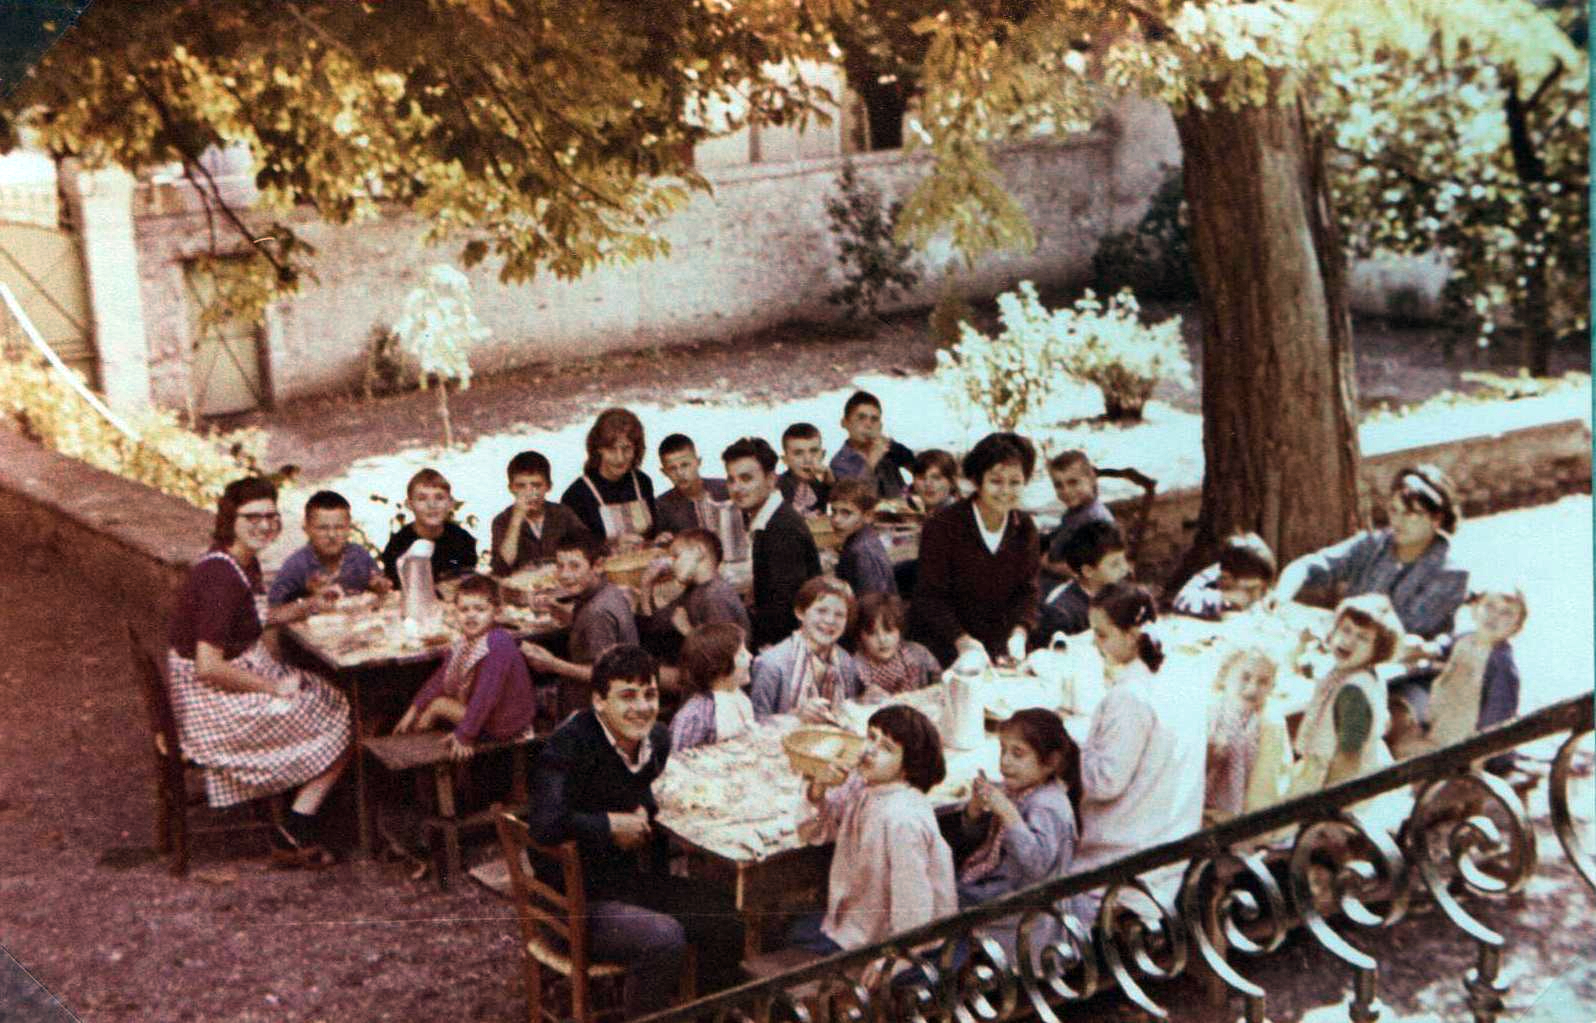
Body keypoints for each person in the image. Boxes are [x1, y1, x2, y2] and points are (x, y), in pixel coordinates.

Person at [527, 646, 745, 1017]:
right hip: (572, 901)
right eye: (627, 696)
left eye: (650, 694)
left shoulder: (657, 739)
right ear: (599, 701)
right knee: (663, 938)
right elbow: (545, 824)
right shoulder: (570, 743)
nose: (642, 707)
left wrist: (645, 807)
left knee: (725, 914)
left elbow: (640, 787)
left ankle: (704, 1014)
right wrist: (609, 825)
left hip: (625, 883)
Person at [166, 477, 352, 868]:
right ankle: (296, 826)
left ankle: (302, 800)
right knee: (348, 715)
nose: (264, 525)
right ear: (229, 520)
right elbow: (209, 666)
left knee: (325, 692)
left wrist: (310, 604)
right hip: (213, 709)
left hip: (216, 690)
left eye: (270, 516)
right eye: (252, 517)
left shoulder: (236, 561)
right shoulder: (220, 578)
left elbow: (255, 618)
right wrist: (272, 687)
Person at [789, 705, 957, 956]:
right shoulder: (869, 791)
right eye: (871, 737)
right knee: (794, 929)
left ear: (908, 766)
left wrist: (894, 960)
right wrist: (818, 788)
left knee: (792, 936)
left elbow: (912, 906)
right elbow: (813, 834)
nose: (870, 750)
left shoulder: (902, 818)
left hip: (889, 941)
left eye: (886, 748)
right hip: (857, 919)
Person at [1074, 582, 1205, 873]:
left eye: (1102, 635)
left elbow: (1105, 783)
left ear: (1132, 636)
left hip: (1131, 852)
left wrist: (1073, 752)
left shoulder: (1130, 697)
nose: (1095, 644)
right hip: (1174, 835)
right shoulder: (1182, 672)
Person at [1275, 465, 1468, 640]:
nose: (1397, 521)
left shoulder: (1451, 573)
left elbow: (1398, 633)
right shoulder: (1374, 545)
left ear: (1436, 519)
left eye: (1410, 514)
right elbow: (1310, 565)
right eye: (1394, 510)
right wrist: (1280, 597)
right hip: (1347, 644)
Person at [956, 708, 1082, 968]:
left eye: (1018, 754)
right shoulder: (1019, 790)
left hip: (1029, 914)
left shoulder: (1048, 806)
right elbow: (985, 843)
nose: (1005, 762)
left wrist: (1008, 814)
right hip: (1005, 889)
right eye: (1003, 750)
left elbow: (1036, 865)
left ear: (1051, 762)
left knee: (944, 906)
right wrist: (975, 811)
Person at [907, 432, 1041, 666]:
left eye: (1015, 482)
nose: (1005, 491)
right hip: (947, 649)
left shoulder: (1024, 527)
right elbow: (930, 598)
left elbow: (1028, 591)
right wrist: (962, 641)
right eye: (996, 481)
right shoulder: (942, 526)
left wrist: (1020, 633)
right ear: (977, 481)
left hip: (1003, 649)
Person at [392, 574, 535, 759]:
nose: (471, 615)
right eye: (464, 610)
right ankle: (418, 745)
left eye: (480, 609)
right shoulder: (465, 642)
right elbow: (441, 678)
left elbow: (486, 695)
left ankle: (419, 750)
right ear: (455, 613)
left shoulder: (498, 642)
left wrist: (465, 735)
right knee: (434, 705)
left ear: (497, 612)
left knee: (439, 705)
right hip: (489, 714)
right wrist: (414, 709)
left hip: (505, 723)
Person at [1397, 586, 1526, 764]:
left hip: (1465, 738)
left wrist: (1485, 753)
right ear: (1474, 610)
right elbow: (1445, 645)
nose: (1494, 616)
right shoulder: (1467, 638)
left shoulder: (1501, 663)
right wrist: (1428, 649)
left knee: (1402, 751)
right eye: (1489, 606)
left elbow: (1499, 712)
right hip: (1442, 714)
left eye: (1506, 613)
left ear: (1516, 627)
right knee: (1400, 711)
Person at [519, 535, 639, 720]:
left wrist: (552, 664)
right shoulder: (606, 591)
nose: (565, 575)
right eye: (560, 566)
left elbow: (606, 675)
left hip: (599, 707)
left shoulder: (597, 612)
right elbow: (587, 626)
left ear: (598, 565)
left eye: (575, 566)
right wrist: (555, 608)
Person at [1292, 594, 1402, 791]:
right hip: (1323, 770)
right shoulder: (1351, 672)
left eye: (1363, 638)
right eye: (1346, 630)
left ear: (1378, 651)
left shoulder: (1353, 692)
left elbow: (1348, 762)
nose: (1349, 641)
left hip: (1339, 787)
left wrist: (1323, 804)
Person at [723, 435, 821, 650]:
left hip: (790, 648)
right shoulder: (769, 518)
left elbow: (785, 611)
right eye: (731, 480)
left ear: (770, 480)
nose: (736, 488)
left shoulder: (781, 529)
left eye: (746, 478)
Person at [750, 577, 863, 719]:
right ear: (800, 613)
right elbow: (756, 724)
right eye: (821, 611)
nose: (830, 620)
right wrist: (796, 716)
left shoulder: (846, 663)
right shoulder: (771, 664)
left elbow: (850, 716)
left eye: (839, 615)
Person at [1204, 646, 1292, 823]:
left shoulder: (1272, 723)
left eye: (1263, 682)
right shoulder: (1210, 716)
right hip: (1209, 808)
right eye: (1245, 677)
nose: (1253, 688)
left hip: (1250, 811)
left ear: (1272, 686)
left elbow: (1280, 770)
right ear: (1224, 676)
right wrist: (1211, 754)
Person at [267, 489, 388, 608]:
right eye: (323, 528)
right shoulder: (296, 565)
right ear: (307, 529)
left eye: (339, 528)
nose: (332, 535)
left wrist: (379, 585)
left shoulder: (359, 556)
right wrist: (307, 598)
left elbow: (378, 585)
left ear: (349, 528)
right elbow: (273, 610)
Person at [638, 528, 750, 653]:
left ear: (699, 552)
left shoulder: (715, 596)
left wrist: (687, 630)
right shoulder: (696, 590)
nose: (672, 565)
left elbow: (723, 654)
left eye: (676, 556)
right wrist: (646, 585)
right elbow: (655, 624)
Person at [560, 407, 658, 549]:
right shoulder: (576, 495)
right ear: (598, 449)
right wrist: (610, 545)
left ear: (636, 449)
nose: (620, 458)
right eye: (611, 449)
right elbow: (573, 549)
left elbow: (653, 533)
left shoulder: (642, 482)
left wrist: (659, 538)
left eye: (626, 449)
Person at [489, 450, 591, 576]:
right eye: (521, 486)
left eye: (536, 485)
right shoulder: (502, 520)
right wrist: (516, 519)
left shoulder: (563, 513)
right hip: (521, 584)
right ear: (511, 488)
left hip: (561, 579)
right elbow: (502, 567)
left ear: (548, 486)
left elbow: (588, 547)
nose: (529, 493)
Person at [380, 468, 478, 586]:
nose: (431, 505)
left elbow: (467, 582)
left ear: (450, 503)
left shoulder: (463, 541)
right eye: (422, 499)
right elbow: (395, 587)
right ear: (409, 504)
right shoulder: (398, 545)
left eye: (439, 498)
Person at [667, 623, 757, 751]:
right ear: (721, 665)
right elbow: (677, 756)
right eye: (742, 654)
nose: (750, 656)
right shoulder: (696, 714)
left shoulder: (739, 697)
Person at [1037, 520, 1131, 640]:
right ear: (1088, 571)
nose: (1125, 569)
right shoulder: (1062, 613)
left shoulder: (1119, 593)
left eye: (1124, 560)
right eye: (1115, 565)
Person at [1038, 450, 1116, 591]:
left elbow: (1086, 571)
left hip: (1077, 589)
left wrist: (1046, 565)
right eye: (1058, 485)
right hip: (1056, 573)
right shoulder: (1076, 512)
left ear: (1091, 479)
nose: (1066, 491)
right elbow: (1062, 535)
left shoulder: (1095, 521)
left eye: (1073, 482)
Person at [829, 390, 917, 500]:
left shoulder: (889, 451)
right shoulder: (840, 463)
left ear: (880, 425)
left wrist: (892, 446)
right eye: (861, 418)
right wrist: (871, 463)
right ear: (845, 423)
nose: (868, 425)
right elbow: (856, 500)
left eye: (874, 419)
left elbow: (920, 469)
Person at [851, 593, 942, 698]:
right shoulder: (856, 668)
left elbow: (941, 683)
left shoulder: (918, 654)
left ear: (900, 630)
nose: (882, 640)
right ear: (860, 636)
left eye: (889, 631)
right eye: (872, 633)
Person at [1173, 532, 1278, 620]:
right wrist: (1224, 598)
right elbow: (1181, 599)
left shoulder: (1263, 572)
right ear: (1226, 577)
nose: (1252, 593)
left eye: (1255, 589)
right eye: (1248, 590)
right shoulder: (1215, 573)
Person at [653, 433, 731, 538]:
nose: (680, 473)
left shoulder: (726, 489)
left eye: (685, 465)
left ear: (698, 462)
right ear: (664, 472)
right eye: (672, 468)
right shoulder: (662, 507)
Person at [830, 478, 897, 597]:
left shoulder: (864, 553)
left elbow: (873, 601)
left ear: (868, 516)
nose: (836, 519)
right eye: (834, 512)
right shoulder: (854, 539)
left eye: (846, 513)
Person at [777, 422, 835, 516]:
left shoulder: (825, 485)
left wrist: (829, 476)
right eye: (798, 453)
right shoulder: (777, 486)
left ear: (823, 455)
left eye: (813, 451)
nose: (807, 459)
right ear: (785, 459)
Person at [907, 448, 960, 517]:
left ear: (952, 482)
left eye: (936, 478)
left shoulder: (958, 516)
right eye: (921, 478)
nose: (928, 484)